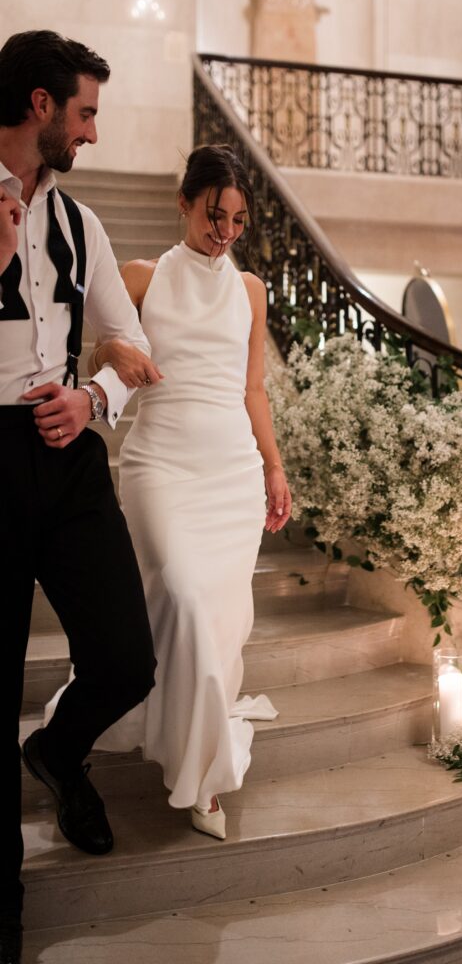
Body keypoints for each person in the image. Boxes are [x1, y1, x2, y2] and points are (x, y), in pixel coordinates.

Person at [70, 143, 292, 840]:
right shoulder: (141, 278)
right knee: (185, 596)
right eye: (212, 216)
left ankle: (202, 773)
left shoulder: (251, 290)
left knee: (214, 618)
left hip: (231, 473)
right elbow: (97, 352)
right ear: (184, 204)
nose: (224, 232)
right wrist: (115, 354)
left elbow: (253, 389)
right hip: (161, 465)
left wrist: (274, 467)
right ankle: (191, 758)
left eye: (237, 220)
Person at [0, 30, 157, 964]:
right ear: (40, 105)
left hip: (66, 457)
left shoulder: (81, 224)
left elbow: (132, 343)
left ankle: (58, 752)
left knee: (128, 658)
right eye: (85, 112)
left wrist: (93, 396)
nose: (92, 132)